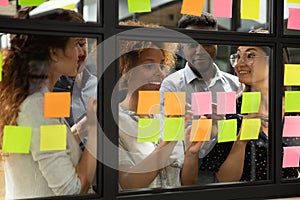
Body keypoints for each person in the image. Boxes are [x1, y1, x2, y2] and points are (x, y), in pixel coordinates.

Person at [0, 7, 97, 199]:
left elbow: (35, 155)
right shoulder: (38, 106)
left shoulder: (27, 100)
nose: (81, 52)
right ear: (54, 52)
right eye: (76, 44)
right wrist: (96, 130)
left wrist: (80, 129)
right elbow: (73, 190)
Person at [118, 20, 203, 190]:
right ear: (125, 69)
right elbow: (128, 184)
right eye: (149, 65)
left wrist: (192, 154)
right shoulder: (114, 122)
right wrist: (170, 139)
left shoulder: (167, 116)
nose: (160, 72)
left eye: (163, 65)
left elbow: (187, 183)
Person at [160, 13, 241, 183]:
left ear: (217, 44)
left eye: (208, 43)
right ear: (182, 47)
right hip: (183, 170)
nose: (200, 50)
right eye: (192, 44)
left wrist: (223, 125)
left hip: (228, 171)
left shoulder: (235, 85)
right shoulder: (172, 86)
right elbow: (164, 134)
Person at [216, 28, 299, 182]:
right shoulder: (230, 109)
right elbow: (223, 179)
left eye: (250, 55)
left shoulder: (294, 107)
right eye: (237, 56)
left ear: (272, 59)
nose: (239, 64)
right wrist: (241, 141)